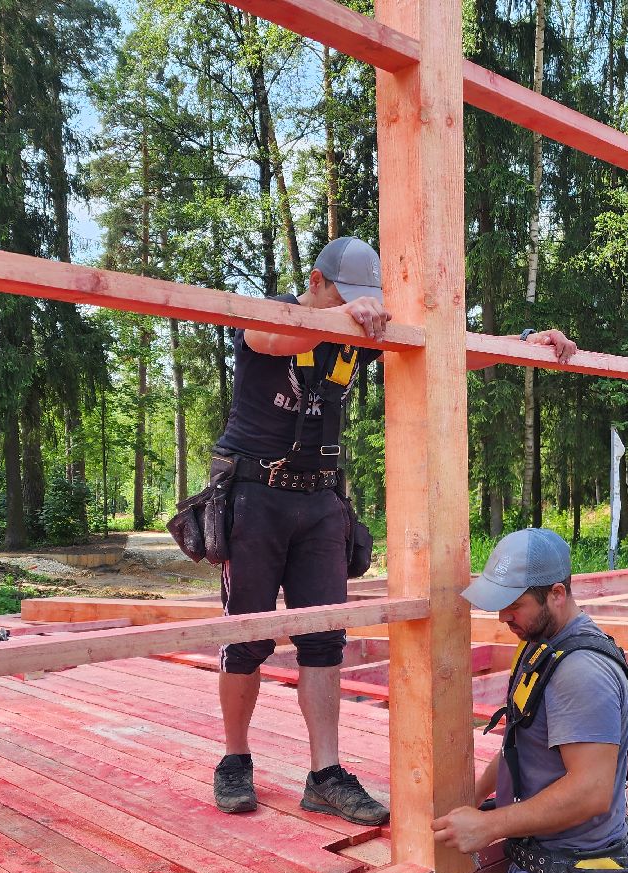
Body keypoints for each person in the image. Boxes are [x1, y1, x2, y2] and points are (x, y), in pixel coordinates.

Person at [211, 237, 579, 826]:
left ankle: (323, 774)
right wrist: (340, 315)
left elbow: (440, 353)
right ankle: (235, 758)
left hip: (320, 502)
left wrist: (519, 345)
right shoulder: (276, 312)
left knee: (326, 637)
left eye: (367, 301)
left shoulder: (358, 333)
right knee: (248, 635)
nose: (362, 310)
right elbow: (276, 337)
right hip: (255, 496)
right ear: (316, 280)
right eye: (348, 296)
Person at [434, 528, 628, 873]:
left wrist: (492, 826)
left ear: (557, 594)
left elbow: (589, 793)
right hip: (566, 871)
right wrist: (471, 802)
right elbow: (523, 744)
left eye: (515, 604)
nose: (504, 617)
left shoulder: (580, 672)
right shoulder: (546, 649)